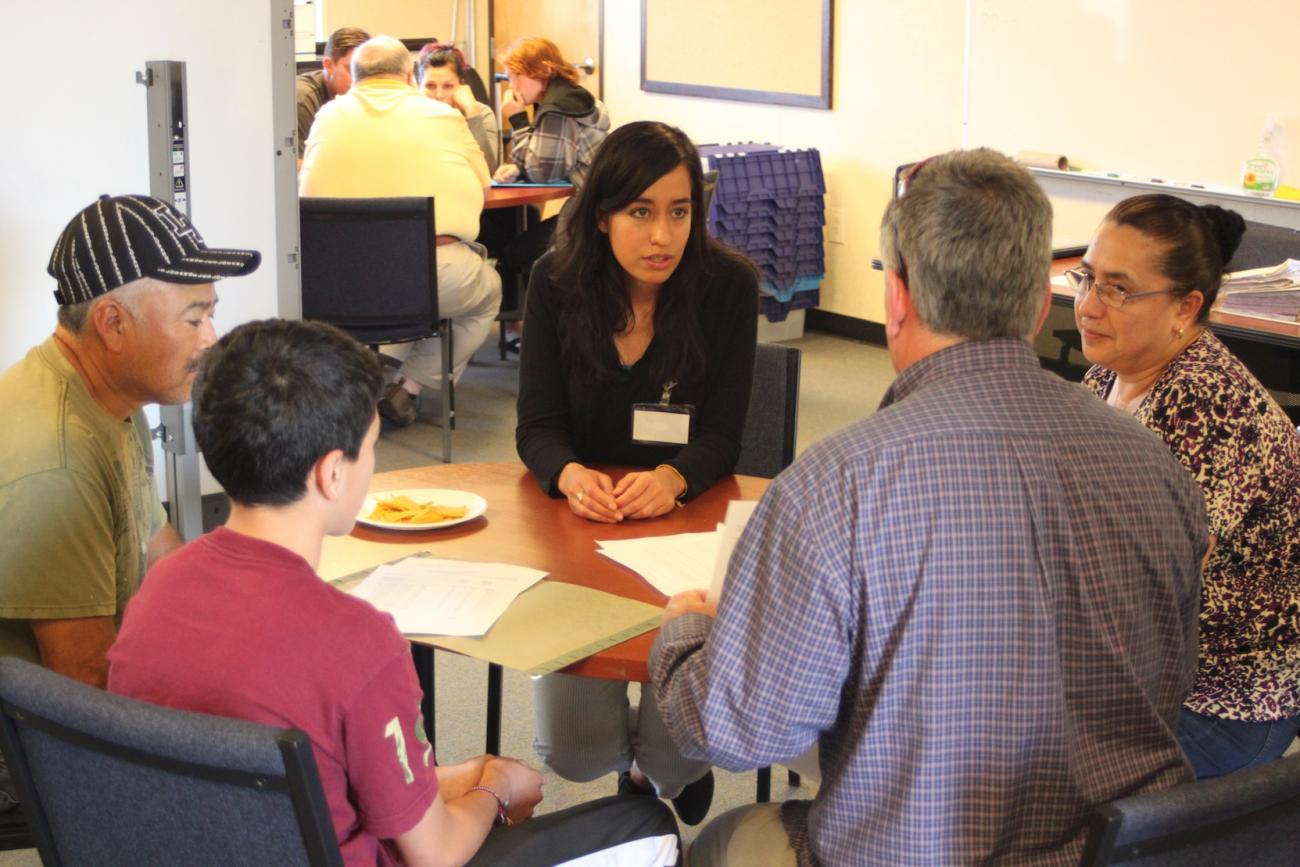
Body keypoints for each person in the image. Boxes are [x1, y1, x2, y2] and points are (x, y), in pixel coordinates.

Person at [650, 150, 1211, 866]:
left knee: (724, 843)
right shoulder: (1158, 466)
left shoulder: (836, 484)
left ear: (897, 297)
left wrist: (687, 633)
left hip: (914, 853)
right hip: (1121, 852)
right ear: (1041, 306)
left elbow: (738, 731)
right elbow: (1171, 679)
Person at [107, 318, 680, 867]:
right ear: (332, 474)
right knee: (648, 828)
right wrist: (496, 789)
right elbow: (436, 853)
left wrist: (459, 777)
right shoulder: (358, 641)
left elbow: (318, 769)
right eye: (373, 446)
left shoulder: (157, 592)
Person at [515, 121, 759, 827]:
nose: (662, 236)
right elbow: (536, 428)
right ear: (602, 215)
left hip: (681, 526)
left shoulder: (727, 287)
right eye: (641, 212)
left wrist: (672, 478)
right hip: (579, 529)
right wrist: (567, 475)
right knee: (575, 752)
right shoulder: (555, 282)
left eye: (679, 212)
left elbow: (723, 436)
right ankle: (629, 768)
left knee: (675, 751)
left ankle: (655, 774)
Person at [1073, 193, 1300, 779]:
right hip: (1143, 668)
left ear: (1185, 306)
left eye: (1117, 289)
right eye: (1088, 278)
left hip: (1221, 699)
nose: (1087, 306)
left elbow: (1149, 586)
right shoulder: (1109, 374)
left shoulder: (1208, 405)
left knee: (1032, 785)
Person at [0, 193, 259, 689]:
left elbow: (163, 558)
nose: (211, 338)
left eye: (211, 315)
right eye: (193, 319)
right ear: (113, 323)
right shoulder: (57, 460)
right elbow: (82, 689)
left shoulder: (111, 397)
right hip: (32, 751)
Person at [300, 35, 502, 427]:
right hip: (426, 277)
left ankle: (348, 394)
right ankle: (407, 388)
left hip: (333, 284)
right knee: (486, 292)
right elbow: (484, 184)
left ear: (354, 77)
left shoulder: (327, 116)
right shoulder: (444, 118)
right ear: (411, 75)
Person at [493, 36, 610, 293]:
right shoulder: (576, 97)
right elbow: (548, 158)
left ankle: (530, 325)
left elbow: (543, 173)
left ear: (543, 70)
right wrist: (520, 167)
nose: (511, 86)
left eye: (516, 76)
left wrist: (518, 120)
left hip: (588, 217)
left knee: (516, 251)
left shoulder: (557, 110)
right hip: (603, 205)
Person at [419, 43, 500, 172]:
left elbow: (488, 170)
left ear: (461, 85)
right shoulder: (411, 113)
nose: (439, 95)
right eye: (430, 86)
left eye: (448, 86)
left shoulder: (481, 113)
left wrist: (472, 114)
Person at [295, 26, 369, 160]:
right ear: (328, 65)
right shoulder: (302, 100)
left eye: (365, 70)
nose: (360, 79)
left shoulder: (362, 96)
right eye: (352, 69)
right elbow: (292, 167)